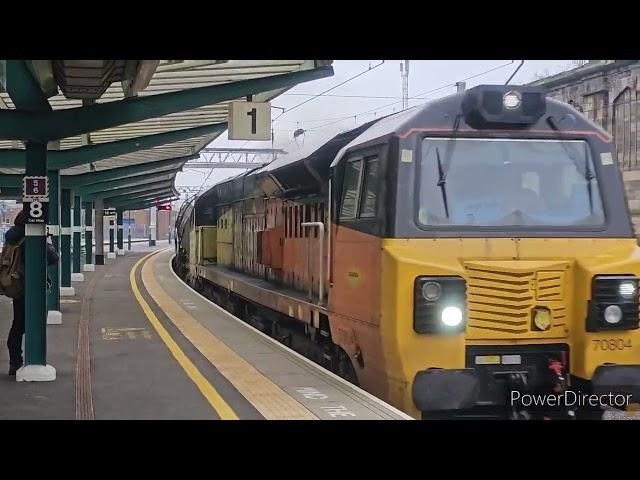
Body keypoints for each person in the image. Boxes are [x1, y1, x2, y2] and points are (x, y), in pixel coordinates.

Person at [4, 209, 59, 375]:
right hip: (31, 286)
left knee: (18, 324)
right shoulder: (29, 239)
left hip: (18, 285)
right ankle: (31, 360)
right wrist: (48, 242)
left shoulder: (12, 237)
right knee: (30, 324)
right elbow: (53, 258)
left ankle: (15, 362)